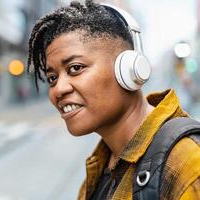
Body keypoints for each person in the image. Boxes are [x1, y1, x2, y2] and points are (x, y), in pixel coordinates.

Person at [27, 1, 200, 199]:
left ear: (128, 69)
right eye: (52, 78)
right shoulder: (102, 165)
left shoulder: (189, 164)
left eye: (75, 68)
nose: (58, 89)